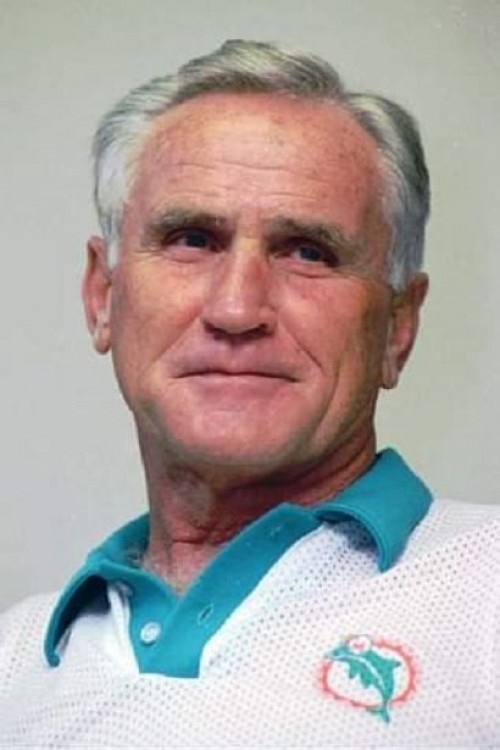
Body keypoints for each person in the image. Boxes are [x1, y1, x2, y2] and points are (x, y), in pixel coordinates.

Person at [1, 39, 499, 748]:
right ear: (103, 297)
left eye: (308, 252)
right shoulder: (14, 663)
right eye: (192, 240)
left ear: (398, 325)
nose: (237, 309)